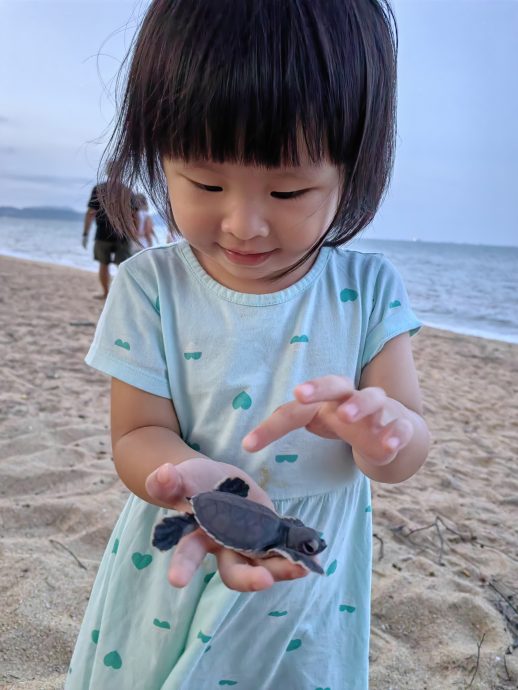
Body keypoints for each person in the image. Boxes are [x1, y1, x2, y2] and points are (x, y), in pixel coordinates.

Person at [67, 1, 430, 688]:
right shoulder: (150, 286)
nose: (244, 224)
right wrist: (187, 481)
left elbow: (406, 451)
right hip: (177, 553)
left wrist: (384, 434)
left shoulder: (370, 289)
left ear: (352, 171)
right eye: (205, 183)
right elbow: (137, 433)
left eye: (289, 190)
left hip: (302, 577)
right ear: (158, 159)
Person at [82, 181, 133, 298]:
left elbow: (90, 212)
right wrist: (135, 234)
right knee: (123, 266)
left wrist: (85, 234)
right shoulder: (126, 190)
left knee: (104, 264)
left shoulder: (100, 188)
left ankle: (106, 293)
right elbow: (134, 215)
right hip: (122, 235)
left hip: (104, 234)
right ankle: (120, 294)